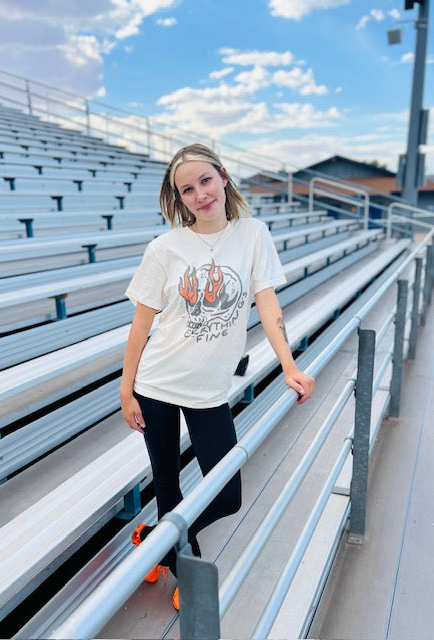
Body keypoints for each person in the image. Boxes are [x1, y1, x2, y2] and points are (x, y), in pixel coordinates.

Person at [120, 143, 315, 610]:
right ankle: (186, 566)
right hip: (157, 385)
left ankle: (154, 540)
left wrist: (289, 364)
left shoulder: (252, 234)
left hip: (209, 390)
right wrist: (126, 390)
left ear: (223, 177)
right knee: (167, 483)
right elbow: (142, 324)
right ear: (179, 198)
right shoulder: (165, 248)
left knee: (226, 494)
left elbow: (266, 303)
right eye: (187, 189)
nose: (199, 194)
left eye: (205, 181)